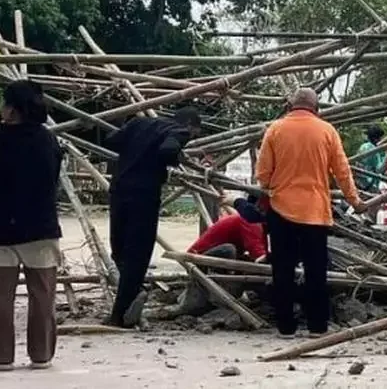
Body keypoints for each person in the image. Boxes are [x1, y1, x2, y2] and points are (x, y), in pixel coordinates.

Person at [256, 87, 364, 338]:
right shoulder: (327, 131)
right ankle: (317, 326)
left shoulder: (275, 129)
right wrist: (355, 201)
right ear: (317, 108)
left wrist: (269, 189)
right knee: (316, 271)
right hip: (315, 212)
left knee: (282, 270)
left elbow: (263, 175)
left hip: (281, 210)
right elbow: (342, 172)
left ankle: (285, 327)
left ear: (290, 106)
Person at [0, 80, 62, 371]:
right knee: (43, 297)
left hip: (1, 229)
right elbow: (52, 178)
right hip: (41, 229)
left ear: (12, 108)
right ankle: (41, 355)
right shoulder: (48, 139)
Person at [104, 107, 201, 328]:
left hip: (119, 191)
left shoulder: (138, 123)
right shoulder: (178, 132)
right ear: (189, 126)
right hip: (144, 197)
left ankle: (128, 299)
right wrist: (174, 160)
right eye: (195, 134)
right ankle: (121, 313)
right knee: (137, 256)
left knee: (118, 247)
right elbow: (168, 150)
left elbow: (110, 141)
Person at [169, 195, 267, 317]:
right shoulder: (250, 221)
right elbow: (257, 252)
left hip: (215, 256)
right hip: (200, 259)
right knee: (230, 250)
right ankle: (222, 292)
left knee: (243, 258)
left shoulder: (259, 224)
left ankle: (227, 290)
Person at [355, 124, 387, 191]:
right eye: (381, 138)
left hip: (359, 181)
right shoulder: (373, 149)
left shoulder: (363, 146)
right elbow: (379, 170)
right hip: (368, 183)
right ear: (376, 139)